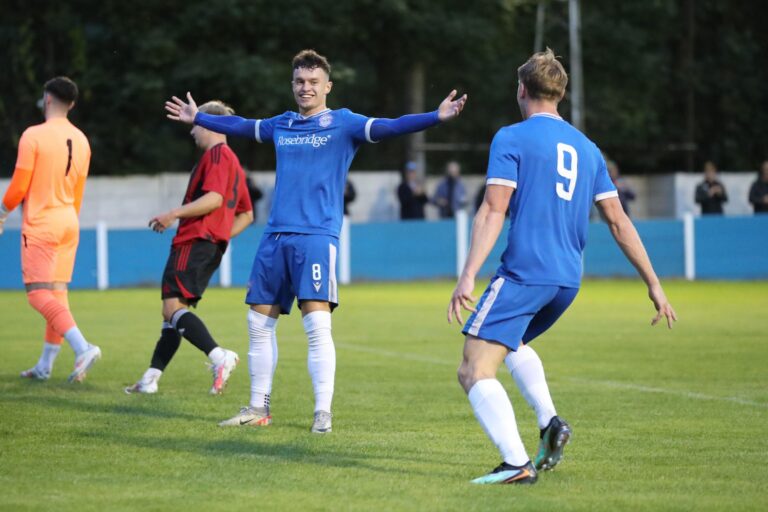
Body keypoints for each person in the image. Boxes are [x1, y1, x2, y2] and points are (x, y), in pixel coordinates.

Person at [165, 49, 467, 433]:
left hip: (316, 238)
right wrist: (200, 117)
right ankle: (259, 407)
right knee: (257, 323)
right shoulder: (283, 124)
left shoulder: (344, 123)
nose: (305, 88)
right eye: (299, 82)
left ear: (328, 86)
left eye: (312, 82)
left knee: (316, 325)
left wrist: (435, 117)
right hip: (275, 236)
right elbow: (242, 125)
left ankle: (322, 412)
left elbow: (392, 126)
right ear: (293, 85)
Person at [447, 49, 676, 485]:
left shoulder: (511, 138)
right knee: (508, 343)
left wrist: (468, 274)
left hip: (525, 273)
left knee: (473, 368)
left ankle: (516, 464)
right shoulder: (589, 150)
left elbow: (494, 210)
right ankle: (550, 421)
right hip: (567, 281)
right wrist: (655, 284)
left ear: (522, 90)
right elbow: (618, 220)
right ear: (561, 94)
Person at [125, 100, 253, 395]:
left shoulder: (218, 155)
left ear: (209, 124)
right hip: (208, 244)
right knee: (172, 313)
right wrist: (221, 234)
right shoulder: (231, 160)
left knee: (171, 308)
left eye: (196, 124)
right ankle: (150, 378)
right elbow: (247, 213)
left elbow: (214, 199)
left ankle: (219, 357)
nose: (192, 131)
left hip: (194, 241)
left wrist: (174, 214)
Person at [0, 77, 102, 383]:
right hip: (69, 220)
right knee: (56, 295)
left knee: (37, 294)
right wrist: (70, 219)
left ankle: (83, 347)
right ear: (71, 104)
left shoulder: (34, 136)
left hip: (43, 223)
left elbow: (20, 185)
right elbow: (80, 190)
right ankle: (45, 366)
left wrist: (3, 211)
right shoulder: (82, 140)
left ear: (47, 98)